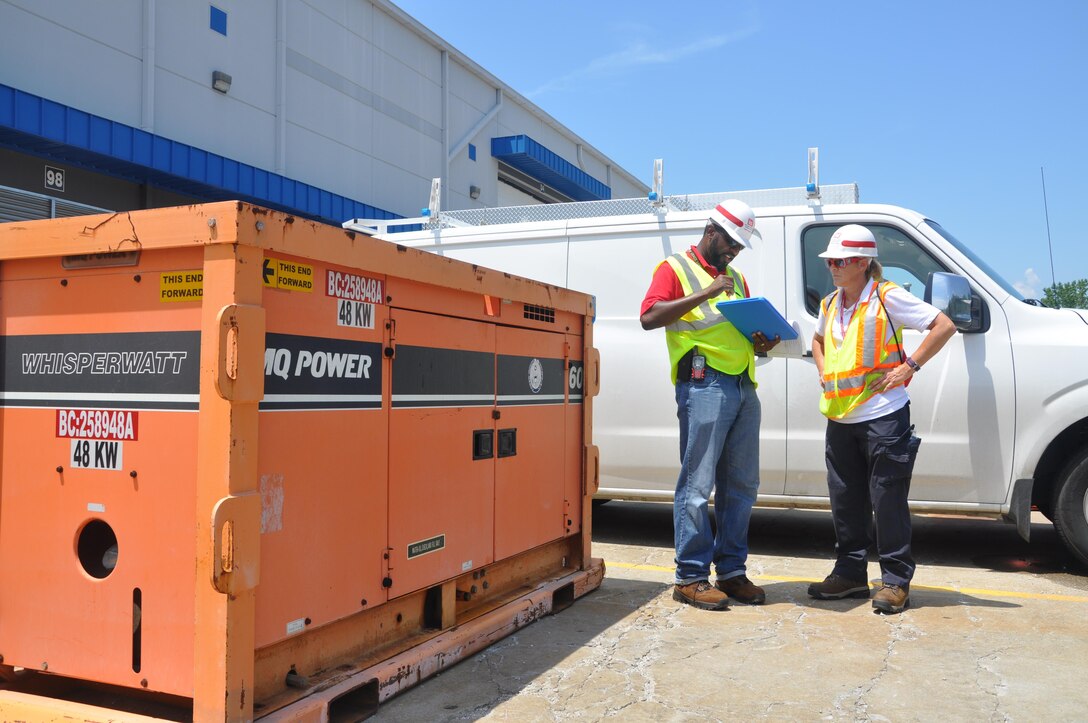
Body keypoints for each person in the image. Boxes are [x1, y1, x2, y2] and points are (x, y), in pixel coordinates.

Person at [807, 224, 956, 613]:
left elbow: (944, 325)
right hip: (841, 416)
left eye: (840, 261)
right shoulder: (829, 303)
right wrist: (823, 372)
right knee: (845, 500)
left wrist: (910, 366)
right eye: (831, 261)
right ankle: (850, 575)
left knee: (887, 500)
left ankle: (894, 581)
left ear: (862, 262)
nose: (833, 267)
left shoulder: (887, 297)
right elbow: (818, 340)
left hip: (884, 416)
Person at [640, 199, 780, 610]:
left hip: (742, 384)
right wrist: (707, 290)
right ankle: (690, 577)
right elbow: (649, 317)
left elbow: (735, 328)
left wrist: (762, 341)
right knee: (698, 484)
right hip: (704, 385)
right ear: (711, 230)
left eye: (740, 245)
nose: (734, 251)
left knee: (742, 486)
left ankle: (732, 572)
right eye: (731, 241)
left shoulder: (736, 277)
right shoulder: (675, 268)